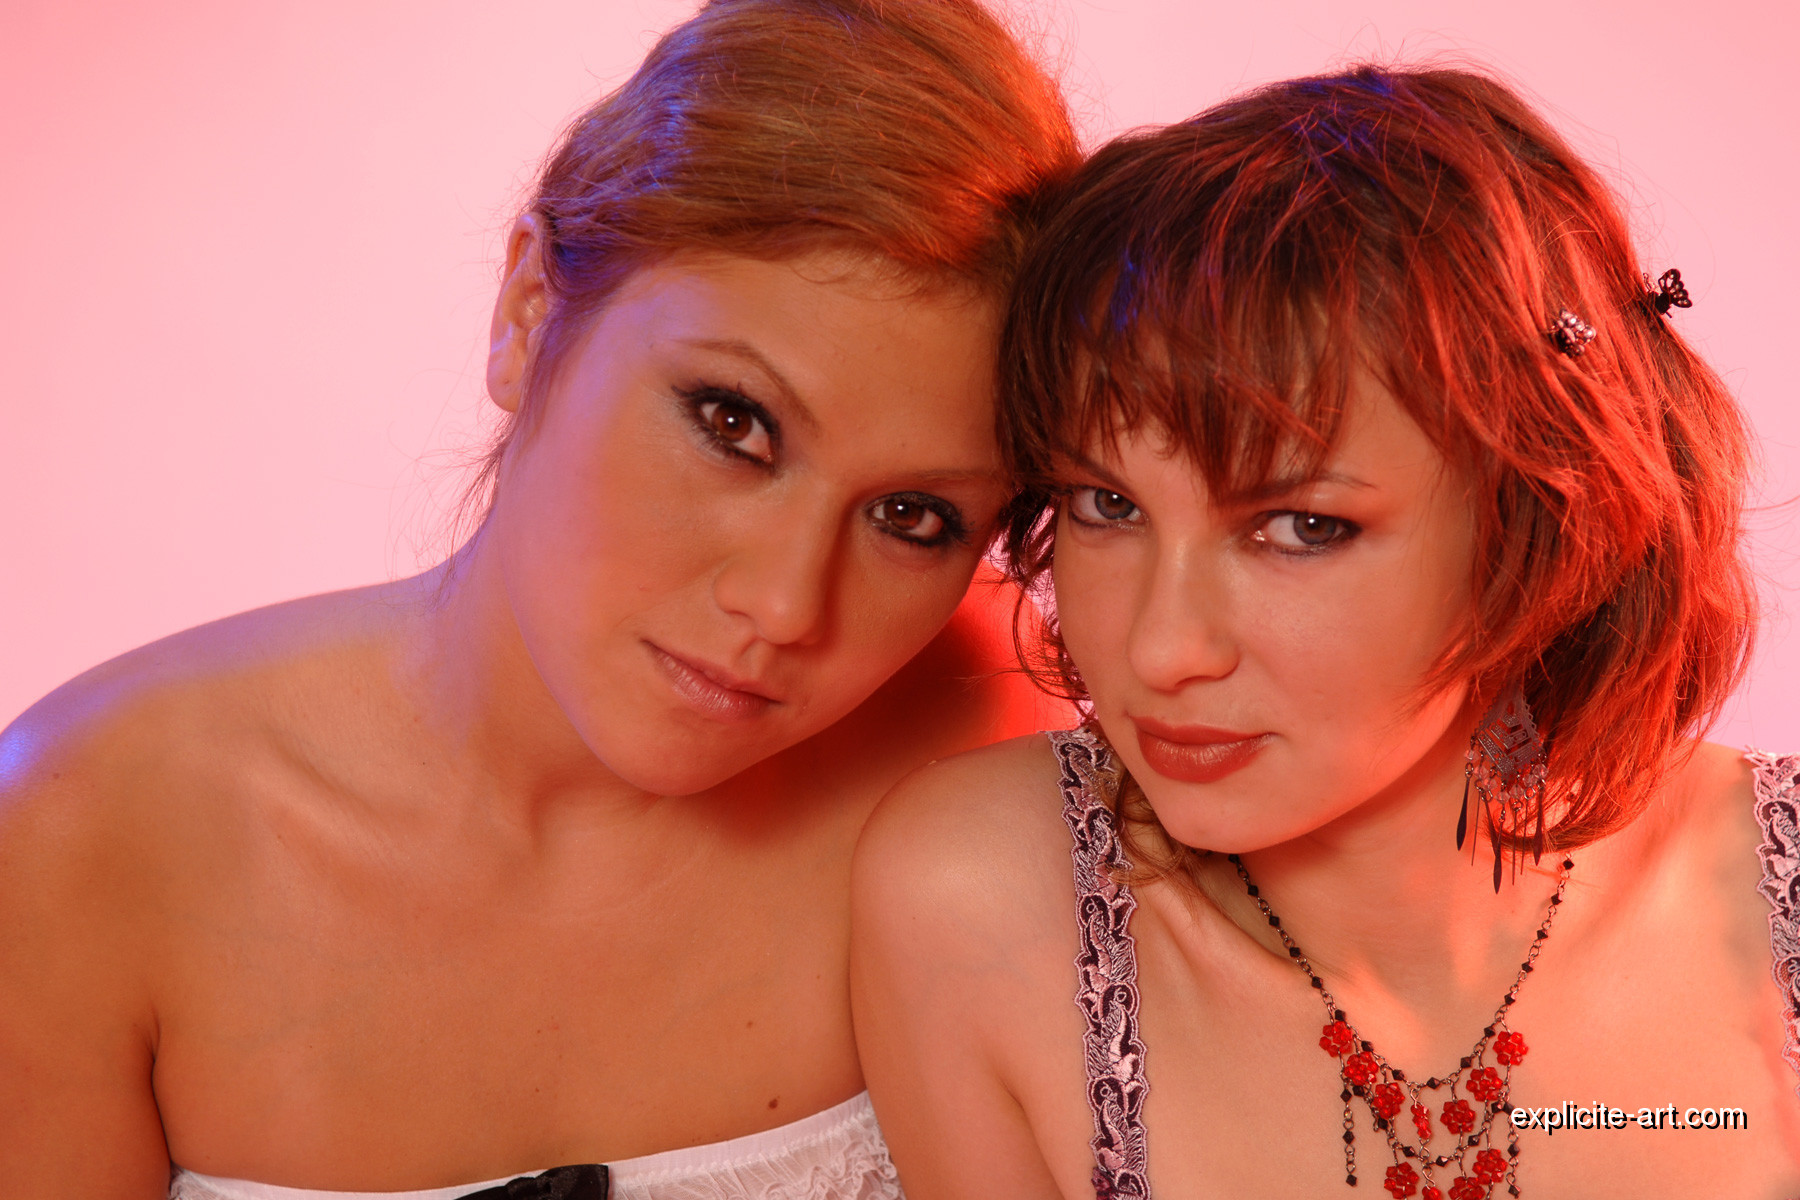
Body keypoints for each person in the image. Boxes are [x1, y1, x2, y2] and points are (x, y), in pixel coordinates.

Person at [0, 2, 1077, 1196]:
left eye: (913, 517)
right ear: (527, 312)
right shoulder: (83, 843)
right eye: (733, 423)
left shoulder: (989, 734)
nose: (785, 607)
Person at [852, 66, 1800, 1198]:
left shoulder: (1774, 896)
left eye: (1300, 526)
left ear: (1540, 523)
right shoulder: (985, 901)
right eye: (1109, 505)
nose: (1161, 651)